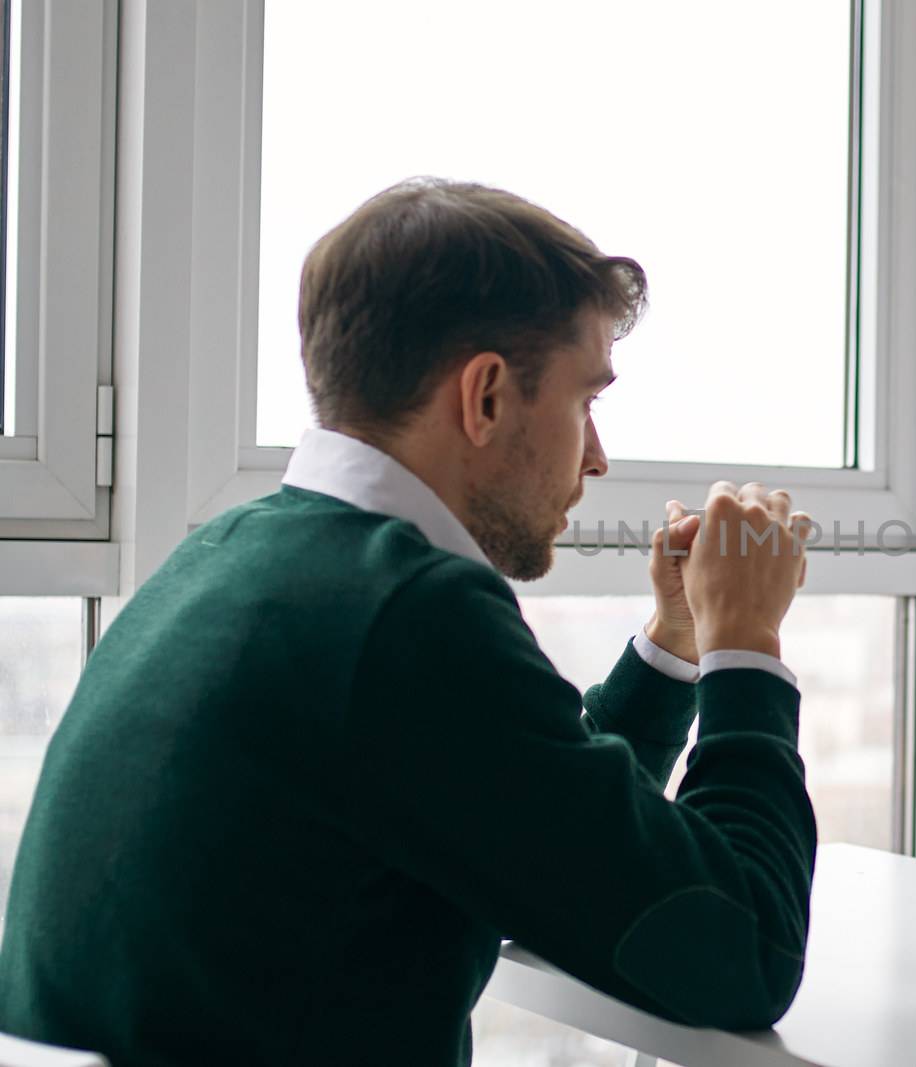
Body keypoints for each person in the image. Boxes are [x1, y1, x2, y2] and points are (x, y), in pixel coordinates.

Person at [0, 179, 817, 1064]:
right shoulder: (405, 616)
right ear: (488, 396)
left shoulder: (245, 558)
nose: (597, 456)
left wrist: (675, 642)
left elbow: (529, 823)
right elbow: (743, 949)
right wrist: (746, 642)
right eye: (586, 401)